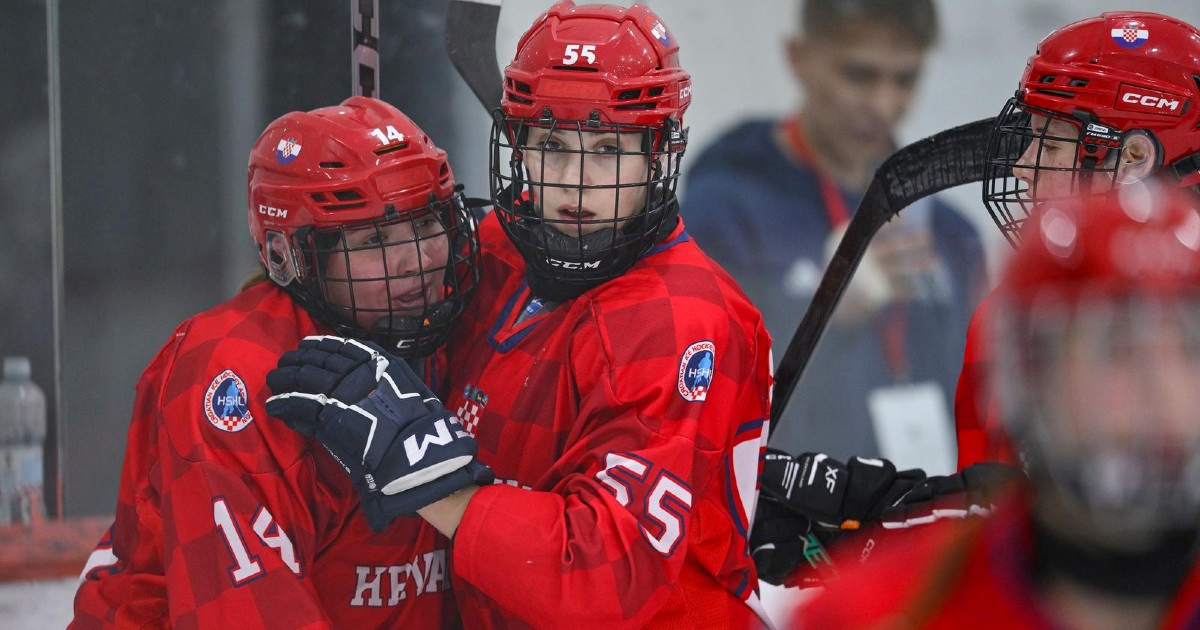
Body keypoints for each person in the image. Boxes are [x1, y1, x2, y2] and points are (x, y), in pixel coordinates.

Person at [266, 3, 775, 628]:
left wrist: (419, 466)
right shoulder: (504, 248)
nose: (575, 183)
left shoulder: (676, 319)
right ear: (517, 144)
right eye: (553, 144)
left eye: (609, 149)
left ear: (658, 153)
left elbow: (599, 575)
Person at [69, 96, 481, 629]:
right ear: (295, 257)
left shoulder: (450, 320)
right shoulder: (234, 372)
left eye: (428, 225)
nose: (419, 261)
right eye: (376, 237)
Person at [792, 183, 1200, 630]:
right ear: (1032, 374)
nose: (1164, 389)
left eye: (1191, 349)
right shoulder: (875, 613)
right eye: (1119, 348)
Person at [682, 0, 987, 466]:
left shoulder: (950, 233)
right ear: (798, 57)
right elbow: (698, 391)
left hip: (921, 516)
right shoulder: (728, 206)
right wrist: (825, 309)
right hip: (781, 518)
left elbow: (983, 404)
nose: (884, 106)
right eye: (859, 75)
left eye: (905, 80)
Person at [958, 10, 1200, 469]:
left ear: (1133, 158)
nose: (1021, 169)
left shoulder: (1021, 321)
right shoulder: (1012, 315)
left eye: (1048, 146)